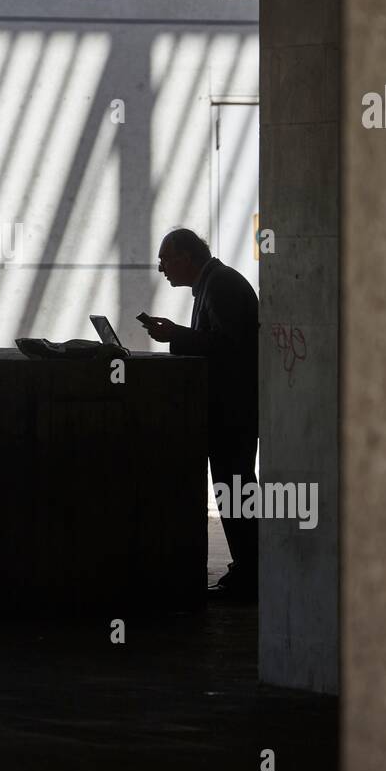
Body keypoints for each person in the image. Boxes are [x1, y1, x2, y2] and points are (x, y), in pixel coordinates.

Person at [141, 228, 258, 599]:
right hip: (233, 409)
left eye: (166, 259)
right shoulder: (216, 282)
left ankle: (251, 574)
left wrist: (175, 334)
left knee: (235, 488)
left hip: (232, 411)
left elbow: (228, 347)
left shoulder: (220, 285)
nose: (161, 268)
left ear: (187, 257)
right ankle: (248, 570)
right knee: (234, 488)